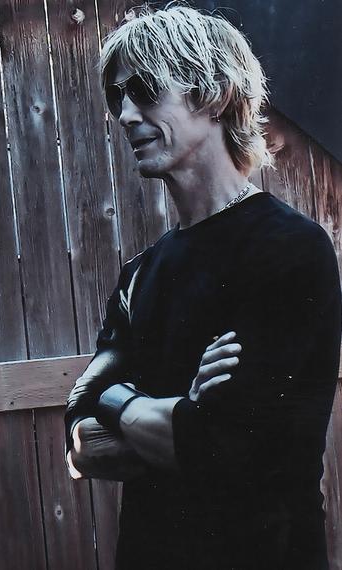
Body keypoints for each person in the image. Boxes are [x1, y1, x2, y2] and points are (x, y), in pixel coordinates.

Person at [64, 6, 341, 570]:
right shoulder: (139, 275)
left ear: (214, 95)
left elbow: (231, 449)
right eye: (117, 97)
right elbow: (80, 439)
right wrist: (177, 412)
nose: (125, 114)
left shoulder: (290, 249)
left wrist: (120, 401)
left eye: (144, 91)